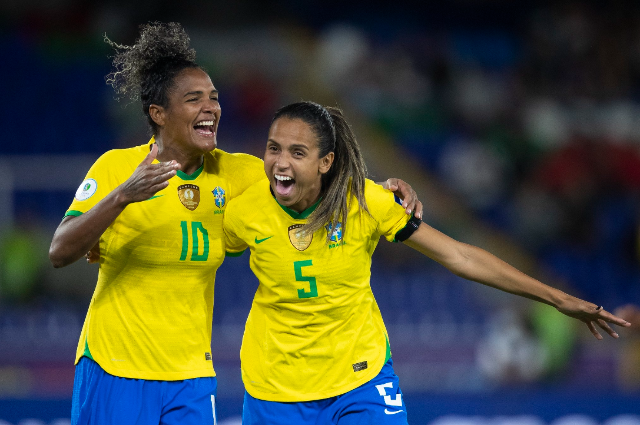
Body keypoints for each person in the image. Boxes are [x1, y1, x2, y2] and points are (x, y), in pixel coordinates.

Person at [48, 22, 420, 425]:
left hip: (190, 375)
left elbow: (309, 175)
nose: (211, 107)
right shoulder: (117, 166)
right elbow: (60, 251)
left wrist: (375, 189)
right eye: (194, 99)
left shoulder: (237, 173)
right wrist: (121, 197)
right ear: (159, 113)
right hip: (113, 363)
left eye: (214, 97)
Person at [222, 101, 631, 425]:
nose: (280, 161)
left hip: (358, 381)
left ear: (325, 162)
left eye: (297, 151)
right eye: (273, 148)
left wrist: (556, 298)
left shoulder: (366, 203)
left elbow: (459, 255)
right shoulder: (245, 210)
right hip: (274, 390)